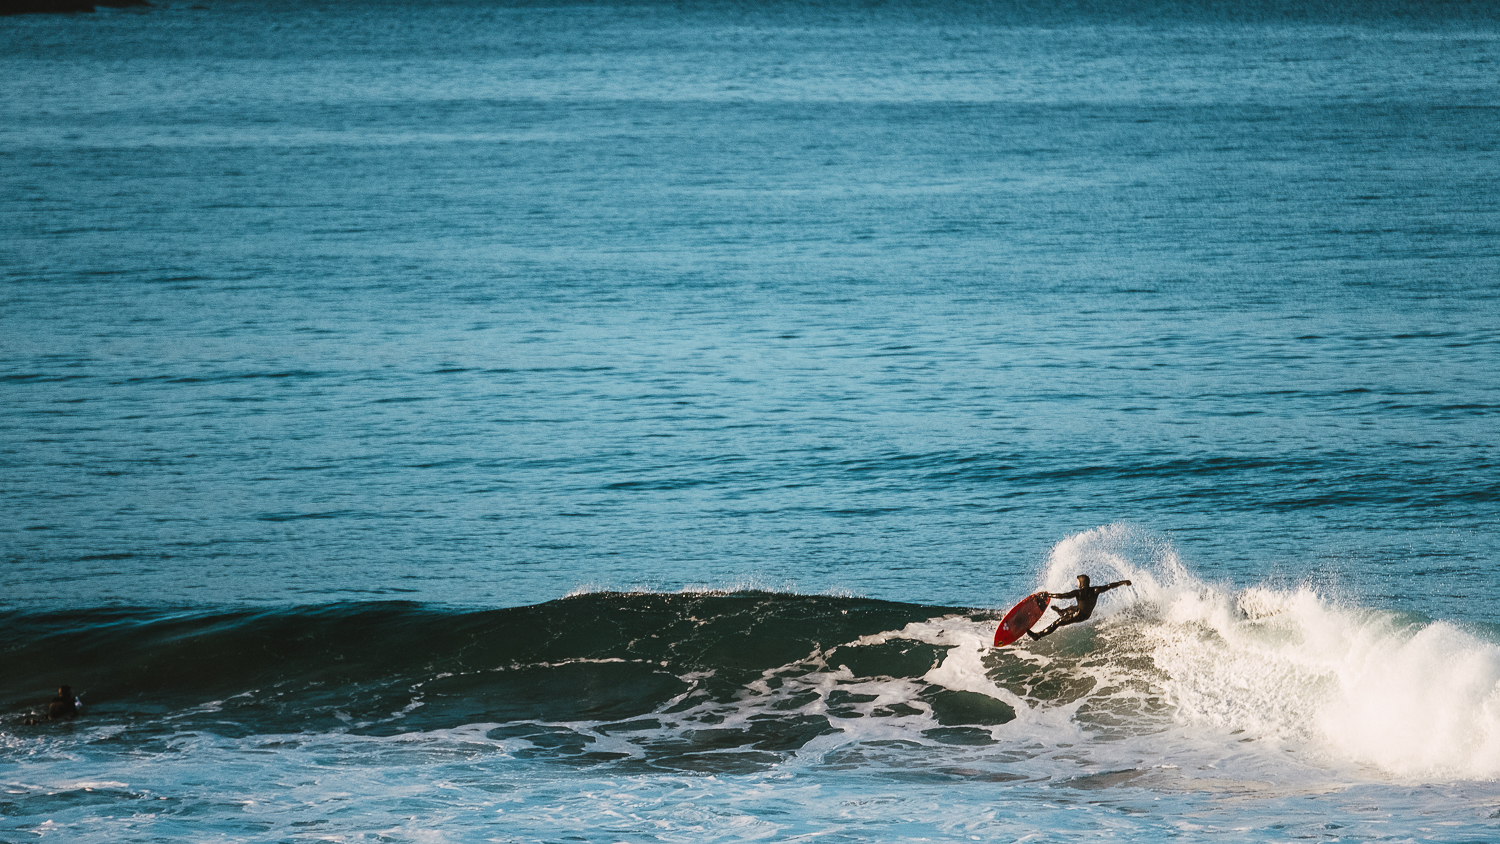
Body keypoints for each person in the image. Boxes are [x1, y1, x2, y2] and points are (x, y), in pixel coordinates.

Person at [1027, 574, 1132, 640]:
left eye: (1077, 581)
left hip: (1080, 615)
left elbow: (1063, 596)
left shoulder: (1079, 593)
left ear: (1081, 583)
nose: (1076, 583)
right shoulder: (1095, 590)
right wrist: (1123, 582)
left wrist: (1048, 595)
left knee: (1058, 622)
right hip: (1085, 613)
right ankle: (1061, 611)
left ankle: (1038, 635)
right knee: (1071, 608)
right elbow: (1109, 586)